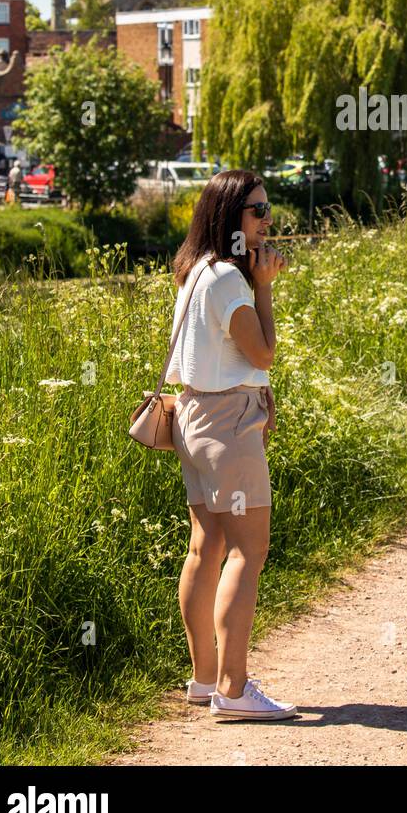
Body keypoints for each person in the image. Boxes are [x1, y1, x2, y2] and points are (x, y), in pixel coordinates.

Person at [165, 169, 298, 721]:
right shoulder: (230, 281)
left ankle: (204, 679)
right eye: (257, 212)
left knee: (207, 546)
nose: (268, 221)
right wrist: (265, 286)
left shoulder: (197, 271)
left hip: (193, 418)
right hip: (228, 425)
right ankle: (235, 689)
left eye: (268, 210)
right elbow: (263, 353)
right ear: (230, 217)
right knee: (249, 550)